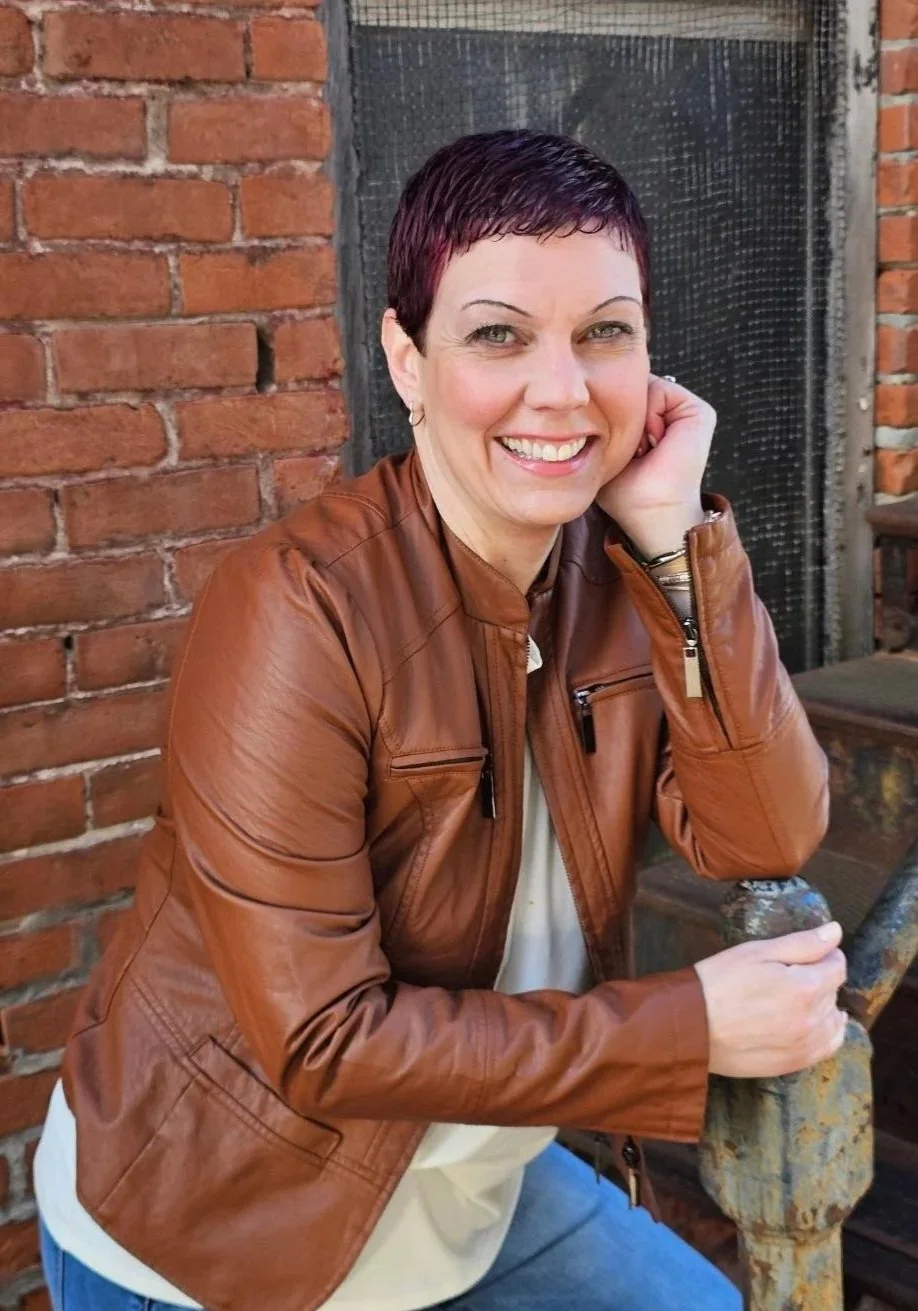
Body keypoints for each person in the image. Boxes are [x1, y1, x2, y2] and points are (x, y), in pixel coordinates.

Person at [34, 129, 844, 1311]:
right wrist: (690, 1028)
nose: (563, 390)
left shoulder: (621, 569)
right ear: (407, 360)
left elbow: (767, 833)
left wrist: (680, 547)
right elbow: (322, 1041)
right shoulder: (297, 611)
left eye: (605, 333)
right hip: (226, 1227)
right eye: (499, 335)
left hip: (466, 1176)